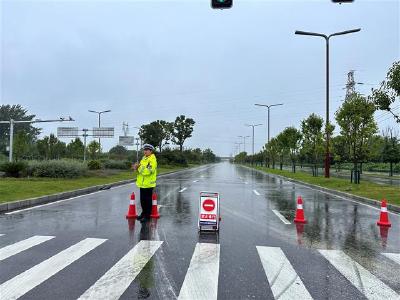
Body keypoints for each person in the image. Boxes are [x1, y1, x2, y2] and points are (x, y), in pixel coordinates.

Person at [133, 144, 157, 223]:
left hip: (148, 184)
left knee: (147, 201)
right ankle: (143, 213)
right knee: (142, 200)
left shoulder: (152, 160)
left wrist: (139, 168)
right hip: (142, 184)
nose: (145, 151)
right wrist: (136, 168)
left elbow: (148, 171)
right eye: (144, 150)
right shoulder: (143, 159)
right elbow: (141, 169)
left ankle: (147, 216)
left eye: (147, 150)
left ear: (151, 151)